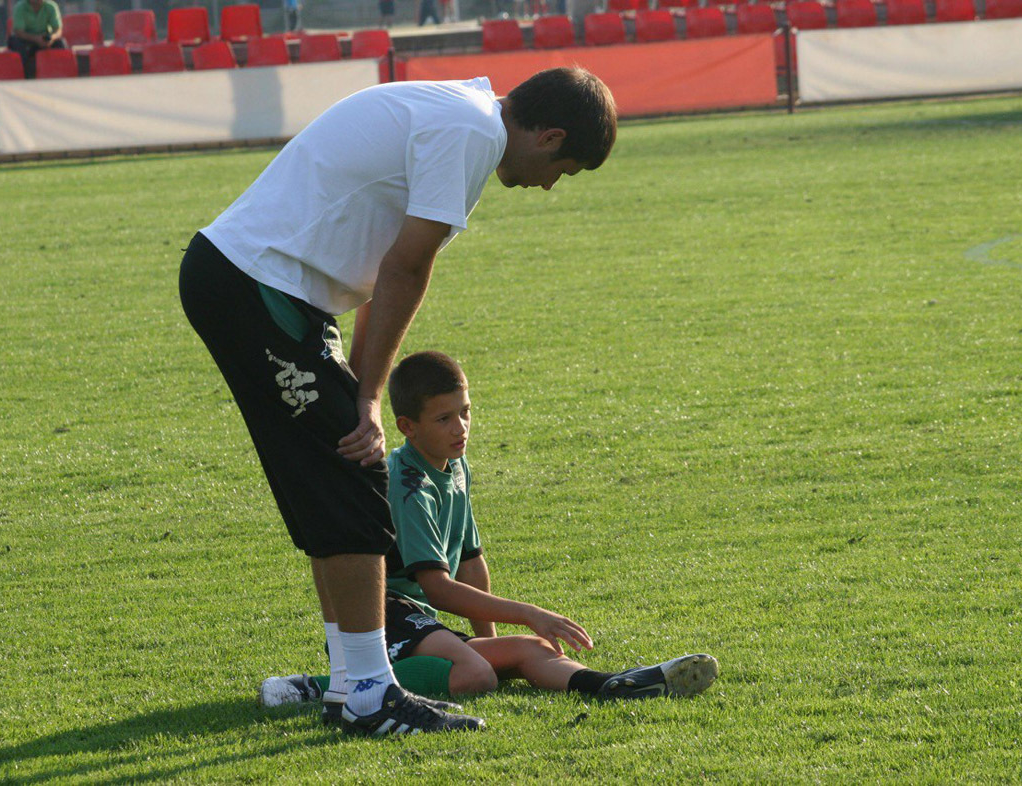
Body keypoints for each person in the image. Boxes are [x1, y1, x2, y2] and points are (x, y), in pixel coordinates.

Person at [178, 69, 617, 738]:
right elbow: (405, 268)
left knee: (335, 480)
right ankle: (365, 693)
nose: (550, 184)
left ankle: (355, 687)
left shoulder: (461, 112)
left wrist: (358, 386)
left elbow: (389, 269)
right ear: (549, 135)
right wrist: (370, 395)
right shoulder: (472, 133)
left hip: (267, 287)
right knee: (352, 480)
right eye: (563, 167)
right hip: (257, 284)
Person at [259, 352, 720, 713]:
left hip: (418, 619)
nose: (460, 428)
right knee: (477, 675)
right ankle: (315, 687)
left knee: (530, 649)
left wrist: (490, 637)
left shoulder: (454, 465)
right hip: (382, 614)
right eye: (444, 419)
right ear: (407, 427)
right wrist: (528, 613)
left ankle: (611, 685)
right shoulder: (409, 487)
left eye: (465, 412)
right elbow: (437, 587)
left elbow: (471, 561)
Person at [7, 0, 68, 79]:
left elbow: (57, 30)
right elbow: (19, 32)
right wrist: (36, 39)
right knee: (17, 43)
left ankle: (62, 75)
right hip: (26, 39)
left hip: (44, 38)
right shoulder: (20, 7)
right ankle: (25, 77)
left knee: (61, 43)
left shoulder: (51, 6)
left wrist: (51, 38)